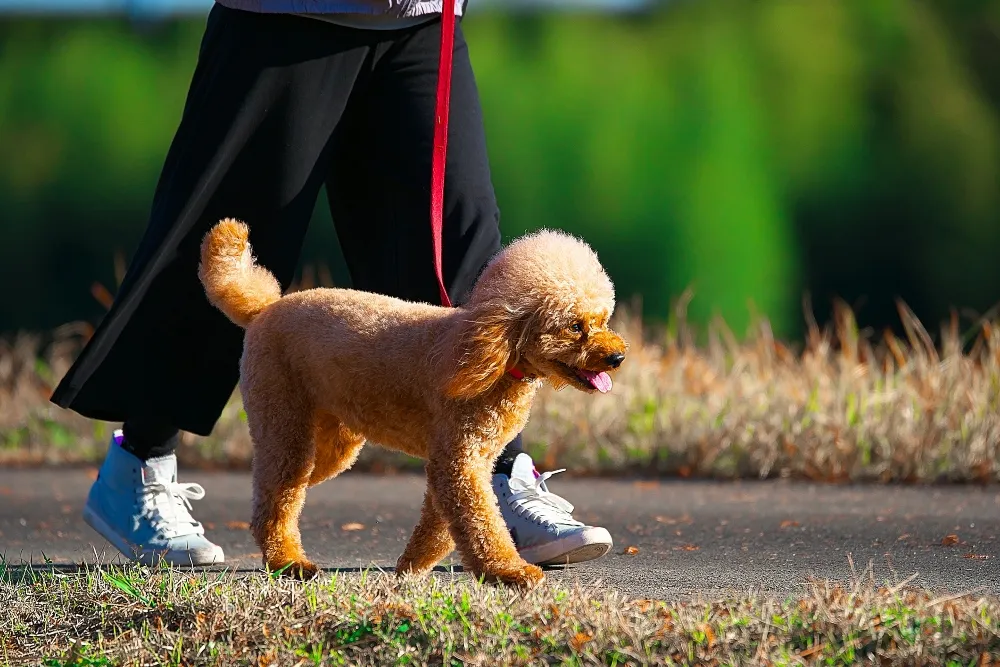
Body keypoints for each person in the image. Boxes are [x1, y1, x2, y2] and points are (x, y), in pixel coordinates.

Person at [50, 0, 614, 569]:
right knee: (223, 239)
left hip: (421, 18)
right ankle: (140, 462)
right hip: (282, 15)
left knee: (463, 256)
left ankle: (495, 474)